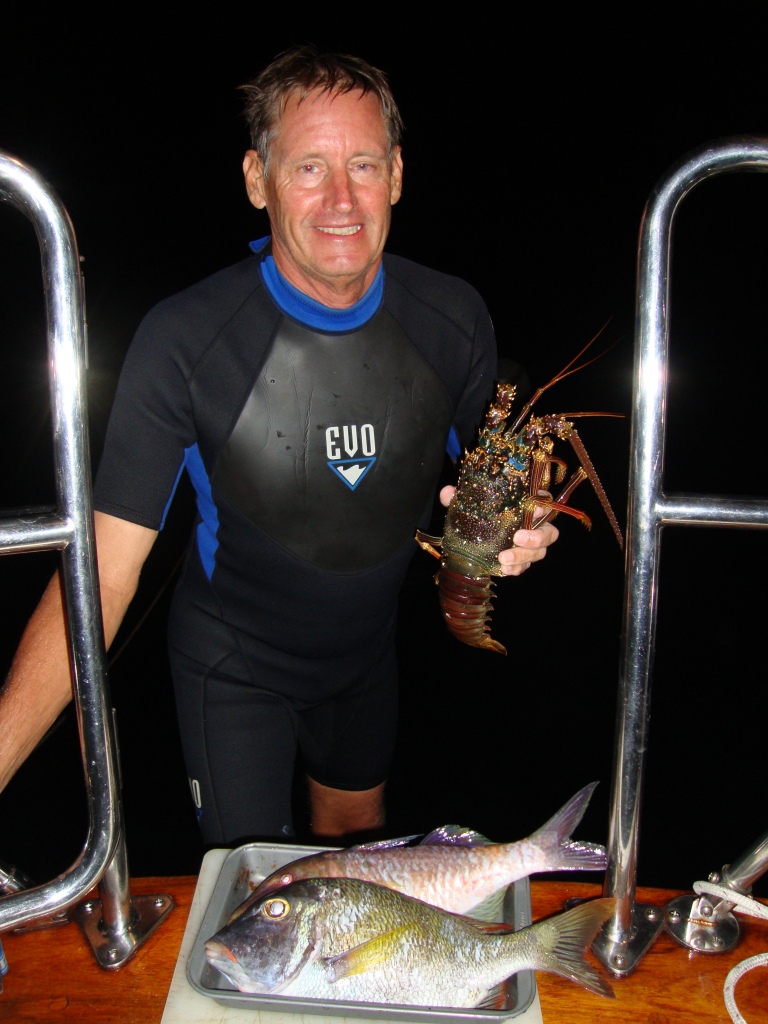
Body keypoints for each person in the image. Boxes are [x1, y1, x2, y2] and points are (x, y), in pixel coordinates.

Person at [0, 46, 558, 848]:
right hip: (231, 670)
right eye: (307, 169)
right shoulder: (186, 340)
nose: (341, 198)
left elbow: (488, 473)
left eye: (363, 164)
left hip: (365, 665)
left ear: (397, 174)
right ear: (257, 180)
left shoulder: (454, 317)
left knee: (357, 856)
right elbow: (101, 579)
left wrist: (521, 532)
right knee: (257, 882)